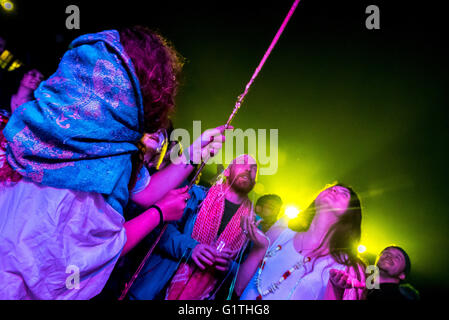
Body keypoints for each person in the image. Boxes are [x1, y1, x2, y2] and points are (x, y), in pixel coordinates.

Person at [0, 26, 225, 299]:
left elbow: (143, 191)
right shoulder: (112, 153)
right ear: (145, 89)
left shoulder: (38, 114)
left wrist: (193, 154)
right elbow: (94, 251)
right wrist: (160, 214)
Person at [128, 154, 258, 300]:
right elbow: (160, 230)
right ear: (227, 171)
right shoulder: (196, 195)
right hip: (158, 289)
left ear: (255, 180)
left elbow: (249, 272)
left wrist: (229, 267)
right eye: (243, 163)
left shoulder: (253, 225)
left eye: (254, 168)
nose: (248, 168)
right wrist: (192, 248)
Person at [236, 183, 366, 300]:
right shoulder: (279, 233)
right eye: (331, 188)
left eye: (344, 194)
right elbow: (238, 288)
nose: (334, 191)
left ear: (351, 214)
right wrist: (259, 249)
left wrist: (335, 290)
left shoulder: (348, 267)